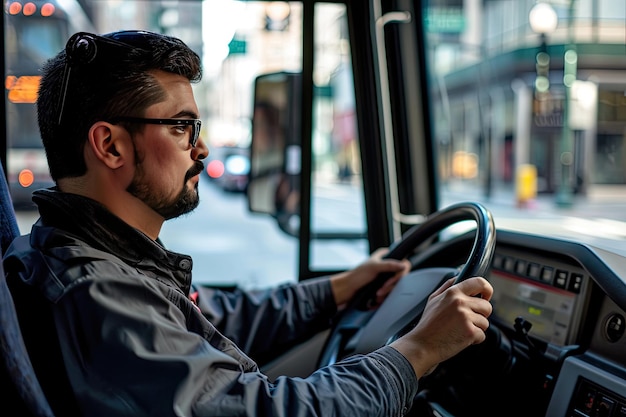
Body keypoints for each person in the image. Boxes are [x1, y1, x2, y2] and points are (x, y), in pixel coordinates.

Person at [2, 30, 494, 417]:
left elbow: (218, 316)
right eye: (181, 127)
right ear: (110, 146)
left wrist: (341, 288)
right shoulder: (97, 294)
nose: (203, 148)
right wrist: (419, 350)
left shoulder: (105, 262)